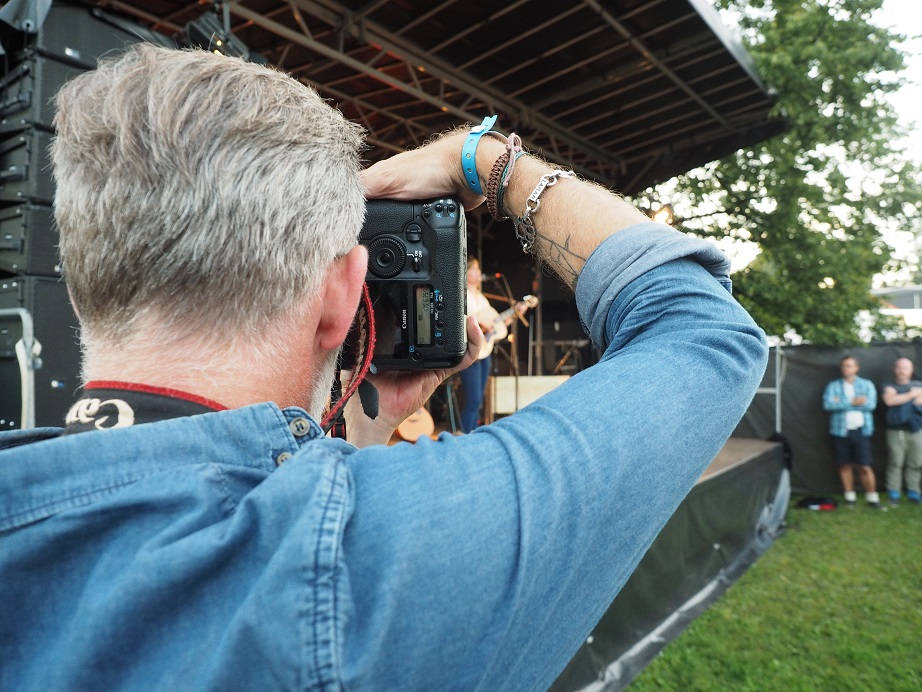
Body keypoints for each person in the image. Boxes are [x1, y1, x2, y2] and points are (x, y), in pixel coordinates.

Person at [0, 45, 767, 689]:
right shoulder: (373, 568)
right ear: (342, 293)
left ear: (80, 280)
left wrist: (358, 434)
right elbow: (704, 330)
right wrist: (487, 162)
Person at [459, 257, 525, 433]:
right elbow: (462, 321)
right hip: (469, 350)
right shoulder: (462, 294)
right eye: (475, 269)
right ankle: (466, 436)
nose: (479, 273)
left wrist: (514, 314)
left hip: (483, 352)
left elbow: (495, 326)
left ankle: (472, 434)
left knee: (479, 399)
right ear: (466, 272)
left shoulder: (481, 298)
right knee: (472, 399)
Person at [822, 356, 880, 507]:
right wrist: (852, 402)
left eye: (849, 366)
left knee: (864, 466)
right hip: (840, 431)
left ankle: (872, 498)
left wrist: (840, 403)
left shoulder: (866, 385)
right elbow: (828, 405)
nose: (846, 368)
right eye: (844, 366)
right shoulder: (833, 386)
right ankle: (850, 497)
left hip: (861, 431)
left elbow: (870, 405)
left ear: (856, 368)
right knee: (844, 465)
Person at [880, 357, 922, 505]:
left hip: (916, 431)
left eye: (905, 368)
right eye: (899, 367)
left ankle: (914, 492)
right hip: (895, 431)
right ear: (894, 369)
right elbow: (889, 401)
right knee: (895, 462)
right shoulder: (888, 385)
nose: (902, 371)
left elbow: (920, 402)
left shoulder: (919, 385)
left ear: (911, 370)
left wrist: (900, 398)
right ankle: (894, 493)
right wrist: (912, 395)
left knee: (916, 463)